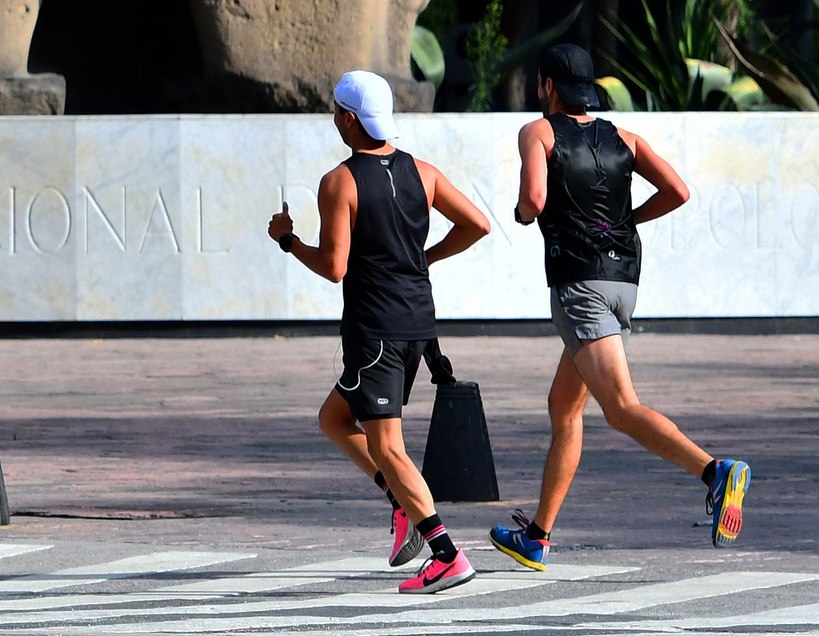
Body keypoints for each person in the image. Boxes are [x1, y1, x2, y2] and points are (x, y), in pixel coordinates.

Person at [489, 44, 751, 571]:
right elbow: (677, 191)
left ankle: (715, 471)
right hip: (622, 281)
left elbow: (534, 201)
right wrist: (628, 219)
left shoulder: (537, 132)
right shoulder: (625, 138)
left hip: (579, 285)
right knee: (565, 408)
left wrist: (521, 213)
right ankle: (537, 536)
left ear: (547, 86)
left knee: (621, 408)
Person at [267, 70, 491, 593]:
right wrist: (425, 257)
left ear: (348, 118)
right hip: (418, 324)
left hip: (376, 331)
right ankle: (400, 501)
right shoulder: (424, 172)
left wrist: (288, 241)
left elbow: (335, 267)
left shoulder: (339, 182)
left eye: (334, 112)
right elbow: (477, 224)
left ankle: (446, 554)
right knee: (334, 418)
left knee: (388, 447)